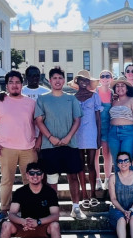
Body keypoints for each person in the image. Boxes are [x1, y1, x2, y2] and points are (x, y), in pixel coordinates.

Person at [0, 70, 39, 224]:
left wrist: (39, 140)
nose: (14, 85)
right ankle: (3, 210)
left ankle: (30, 210)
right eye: (11, 82)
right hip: (6, 148)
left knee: (30, 180)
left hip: (28, 147)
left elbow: (39, 123)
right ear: (6, 85)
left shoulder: (31, 103)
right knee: (7, 180)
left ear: (22, 84)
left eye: (17, 82)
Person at [34, 66, 86, 220]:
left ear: (64, 80)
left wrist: (69, 136)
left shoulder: (71, 98)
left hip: (70, 144)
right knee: (51, 178)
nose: (57, 81)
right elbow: (39, 121)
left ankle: (76, 208)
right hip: (50, 145)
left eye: (60, 78)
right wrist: (50, 137)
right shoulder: (42, 99)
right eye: (54, 78)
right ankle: (53, 209)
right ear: (50, 81)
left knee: (73, 176)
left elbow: (77, 120)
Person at [71, 70, 102, 209]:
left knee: (91, 164)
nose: (83, 82)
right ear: (77, 82)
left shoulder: (95, 96)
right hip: (77, 133)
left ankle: (93, 193)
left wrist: (99, 135)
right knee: (79, 165)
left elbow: (98, 117)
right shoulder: (72, 97)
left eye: (86, 80)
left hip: (91, 132)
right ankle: (84, 195)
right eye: (81, 80)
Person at [108, 77, 133, 170]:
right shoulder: (113, 101)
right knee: (116, 162)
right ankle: (117, 184)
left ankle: (130, 184)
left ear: (127, 89)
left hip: (128, 133)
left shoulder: (132, 100)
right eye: (117, 86)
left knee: (126, 161)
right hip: (112, 133)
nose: (120, 88)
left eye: (122, 86)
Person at [94, 70, 114, 191]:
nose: (105, 78)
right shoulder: (95, 92)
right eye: (102, 76)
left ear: (111, 79)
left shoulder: (113, 93)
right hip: (96, 126)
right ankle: (97, 179)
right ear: (100, 79)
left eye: (107, 76)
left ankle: (107, 179)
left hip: (108, 127)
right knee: (95, 154)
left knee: (107, 154)